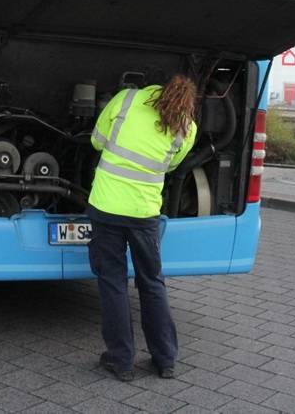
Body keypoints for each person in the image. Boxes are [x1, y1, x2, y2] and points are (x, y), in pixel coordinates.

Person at [87, 75, 198, 382]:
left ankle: (121, 361)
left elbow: (96, 139)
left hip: (107, 207)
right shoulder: (187, 128)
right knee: (151, 282)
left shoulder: (124, 100)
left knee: (113, 282)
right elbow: (171, 166)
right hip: (145, 214)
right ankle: (165, 360)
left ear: (156, 89)